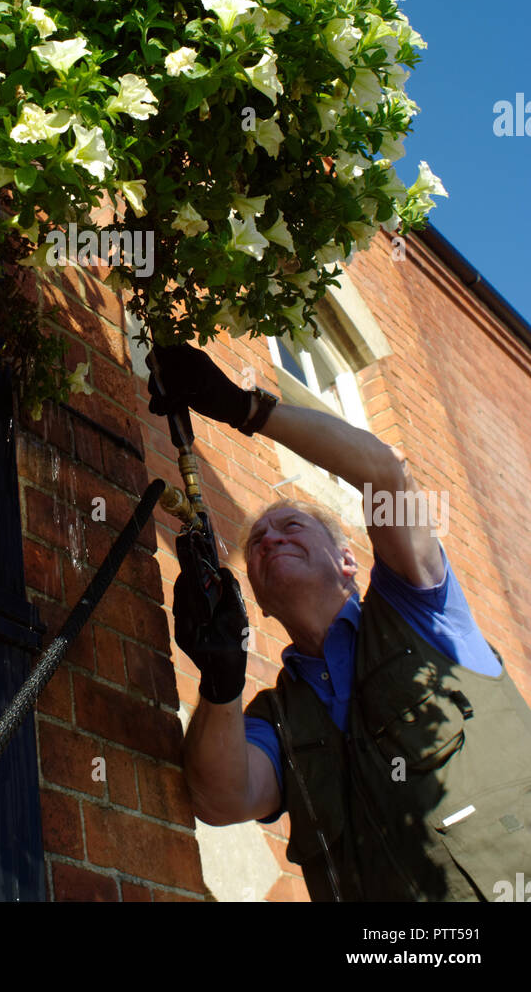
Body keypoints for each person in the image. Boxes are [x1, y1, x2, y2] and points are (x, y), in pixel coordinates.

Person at [148, 343, 531, 902]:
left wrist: (242, 408)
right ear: (258, 594)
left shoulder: (419, 608)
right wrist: (220, 681)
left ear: (347, 561)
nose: (271, 538)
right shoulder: (272, 719)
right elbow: (220, 799)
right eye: (257, 543)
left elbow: (382, 473)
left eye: (293, 526)